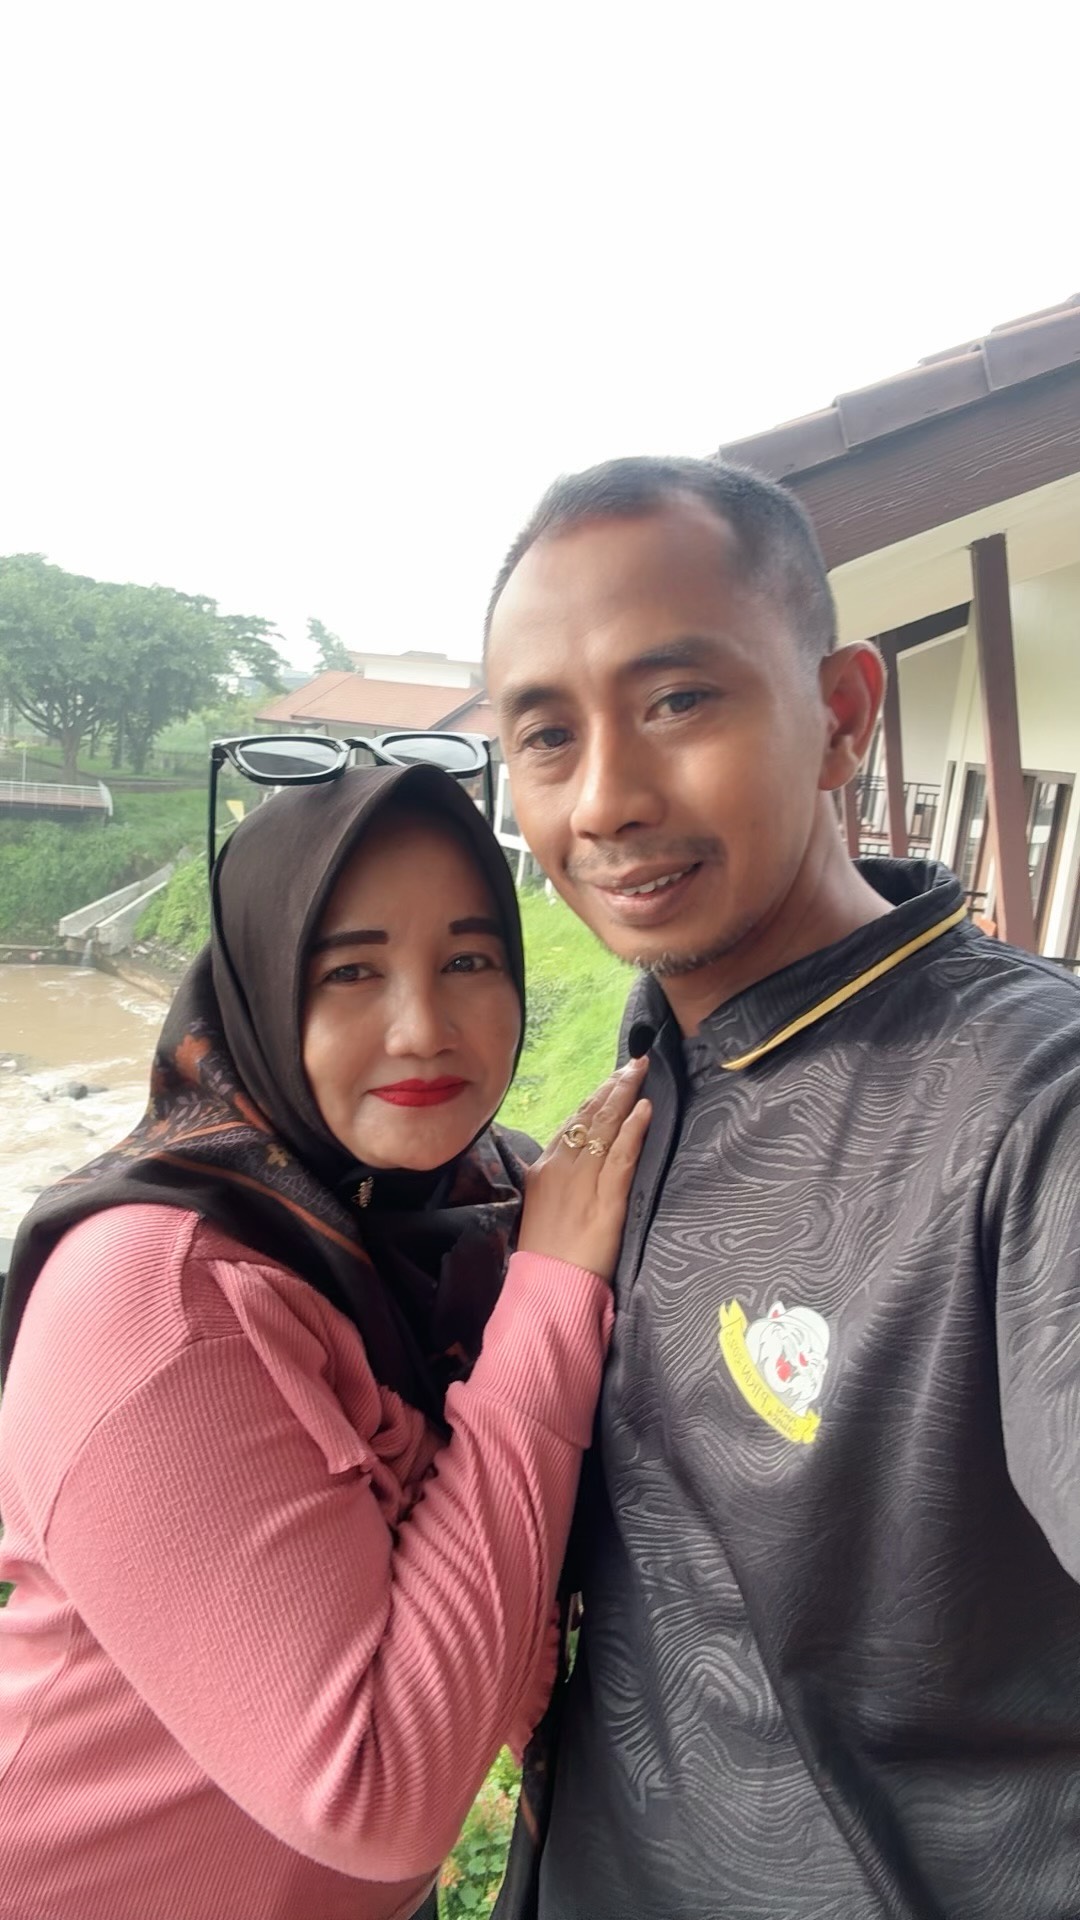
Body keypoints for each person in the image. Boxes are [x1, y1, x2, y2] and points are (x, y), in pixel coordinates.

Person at [484, 455, 1080, 1920]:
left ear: (844, 717)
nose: (606, 800)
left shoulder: (1031, 1106)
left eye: (679, 700)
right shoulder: (651, 1067)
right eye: (548, 735)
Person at [0, 761, 650, 1920]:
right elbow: (372, 1789)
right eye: (350, 971)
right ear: (257, 990)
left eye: (468, 961)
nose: (423, 1028)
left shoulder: (479, 1205)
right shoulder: (156, 1299)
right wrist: (552, 1300)